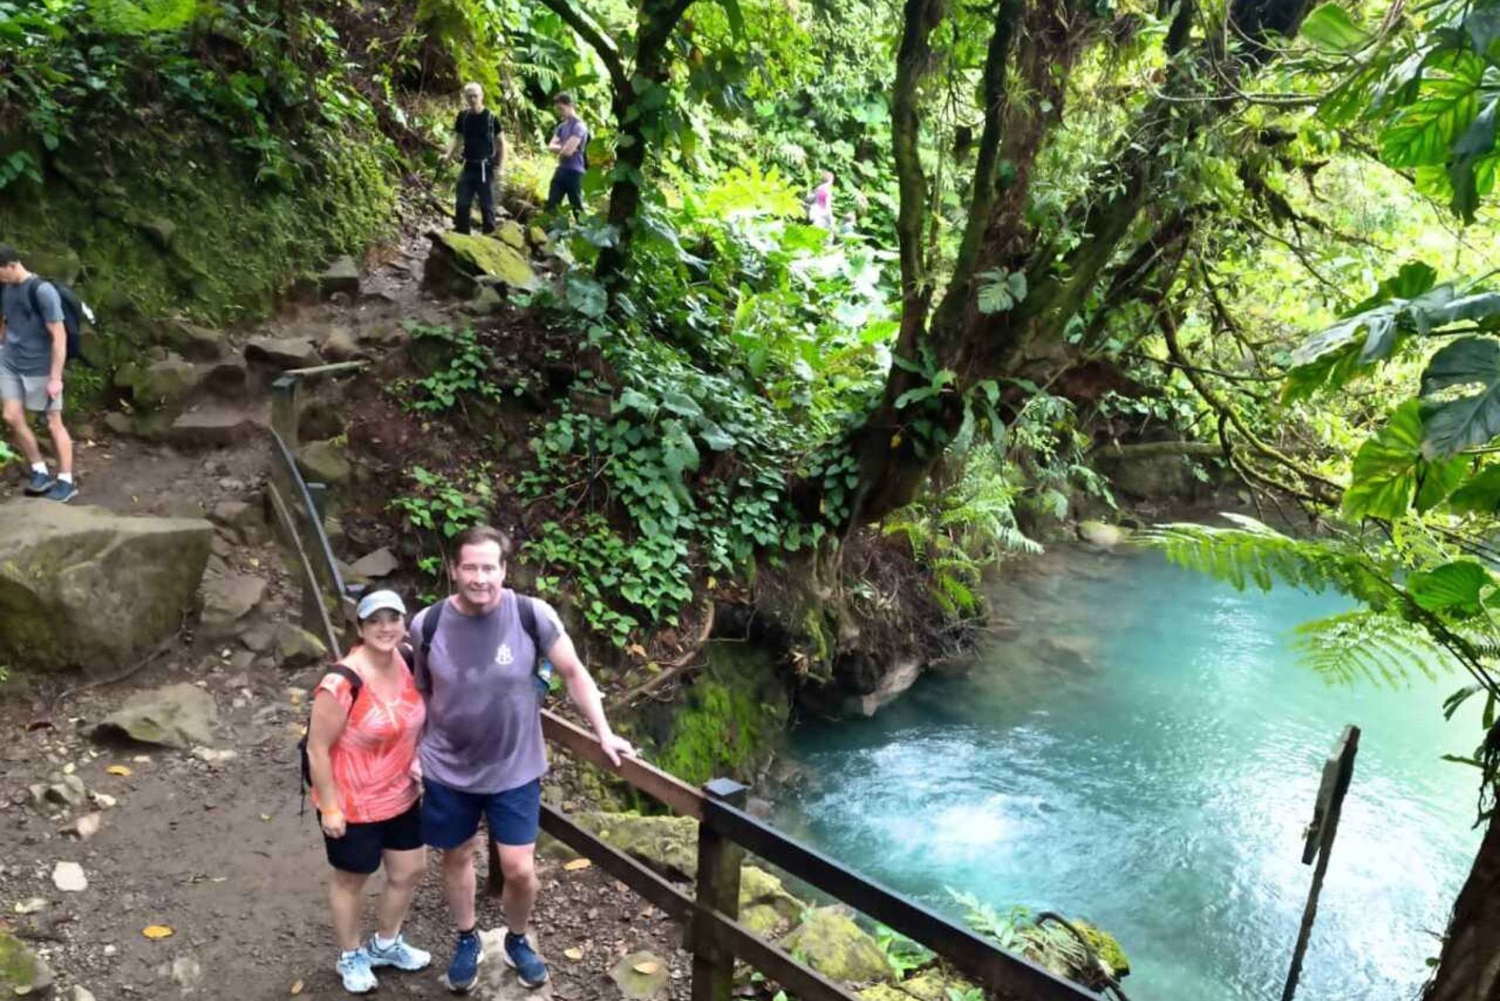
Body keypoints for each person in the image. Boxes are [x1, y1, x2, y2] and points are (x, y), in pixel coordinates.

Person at [412, 525, 634, 994]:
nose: (479, 577)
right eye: (469, 567)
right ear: (454, 569)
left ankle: (516, 938)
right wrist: (411, 751)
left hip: (515, 766)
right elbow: (417, 695)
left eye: (489, 567)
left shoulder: (532, 615)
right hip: (448, 766)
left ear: (504, 570)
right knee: (457, 854)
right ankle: (467, 937)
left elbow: (572, 671)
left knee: (519, 869)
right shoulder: (427, 624)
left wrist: (605, 733)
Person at [307, 590, 432, 994]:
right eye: (374, 620)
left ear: (403, 622)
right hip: (353, 802)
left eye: (392, 618)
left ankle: (386, 943)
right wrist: (330, 807)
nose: (385, 628)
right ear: (359, 628)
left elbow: (422, 717)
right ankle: (350, 954)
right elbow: (316, 748)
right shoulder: (341, 681)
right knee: (352, 878)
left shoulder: (410, 659)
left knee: (410, 870)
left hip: (402, 793)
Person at [0, 244, 76, 502]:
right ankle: (39, 470)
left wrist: (55, 378)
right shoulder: (6, 288)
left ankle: (66, 480)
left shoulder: (43, 291)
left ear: (11, 265)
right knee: (11, 416)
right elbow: (5, 318)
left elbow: (59, 336)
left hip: (39, 367)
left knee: (53, 424)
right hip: (10, 362)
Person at [446, 82, 505, 235]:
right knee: (462, 203)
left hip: (486, 168)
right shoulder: (463, 116)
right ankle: (462, 235)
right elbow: (458, 138)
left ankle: (489, 238)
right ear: (465, 98)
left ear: (481, 96)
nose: (473, 99)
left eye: (475, 96)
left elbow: (501, 143)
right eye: (469, 96)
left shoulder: (491, 118)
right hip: (468, 166)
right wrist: (448, 155)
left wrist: (501, 166)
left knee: (487, 205)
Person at [544, 93, 589, 222]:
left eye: (561, 109)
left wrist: (563, 148)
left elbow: (567, 152)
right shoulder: (561, 127)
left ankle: (583, 235)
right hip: (562, 169)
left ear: (570, 106)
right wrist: (565, 146)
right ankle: (550, 235)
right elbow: (551, 146)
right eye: (558, 109)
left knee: (577, 207)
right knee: (552, 203)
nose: (560, 112)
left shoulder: (579, 126)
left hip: (575, 172)